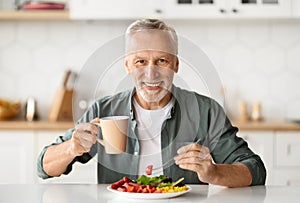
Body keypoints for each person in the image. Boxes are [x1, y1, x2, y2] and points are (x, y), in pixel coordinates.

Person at [37, 19, 266, 187]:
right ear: (127, 66)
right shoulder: (104, 110)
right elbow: (43, 167)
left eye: (162, 60)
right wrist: (71, 148)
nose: (151, 72)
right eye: (140, 61)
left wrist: (215, 172)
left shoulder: (205, 111)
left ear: (176, 65)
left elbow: (255, 170)